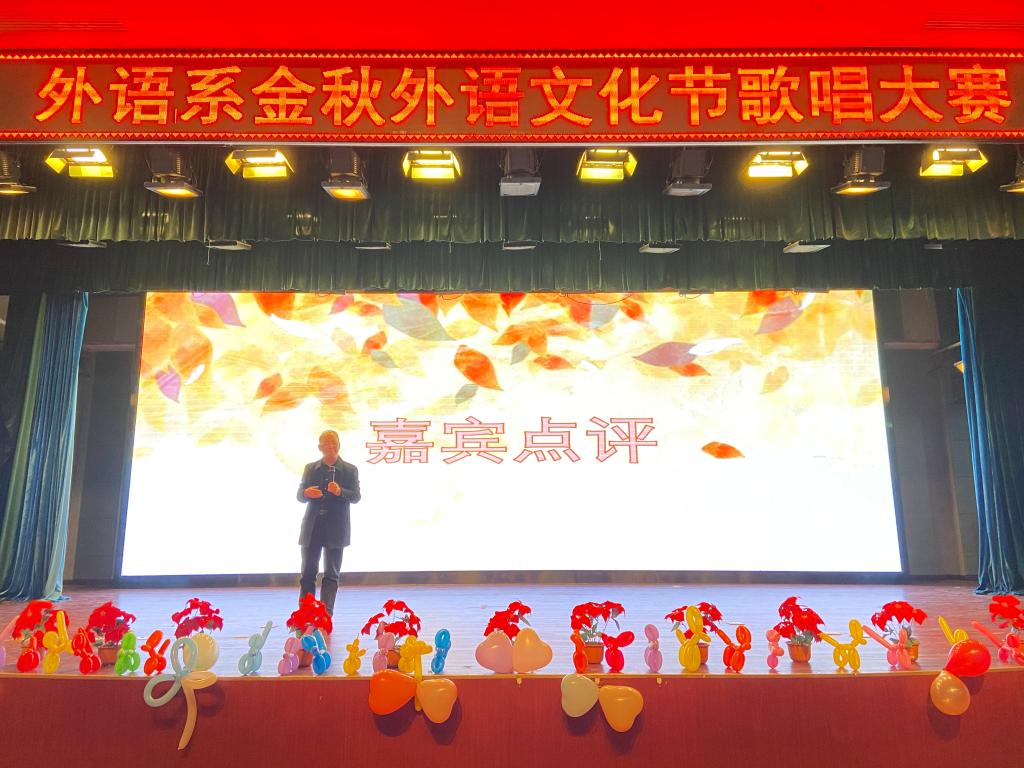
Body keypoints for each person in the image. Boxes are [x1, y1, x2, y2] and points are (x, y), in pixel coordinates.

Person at [296, 430, 360, 616]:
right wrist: (306, 493)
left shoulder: (349, 470)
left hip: (336, 528)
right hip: (312, 527)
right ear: (320, 447)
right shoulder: (311, 468)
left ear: (339, 445)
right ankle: (305, 615)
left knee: (331, 575)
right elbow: (299, 495)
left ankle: (325, 616)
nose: (330, 447)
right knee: (308, 573)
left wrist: (340, 492)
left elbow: (356, 497)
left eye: (333, 443)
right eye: (326, 443)